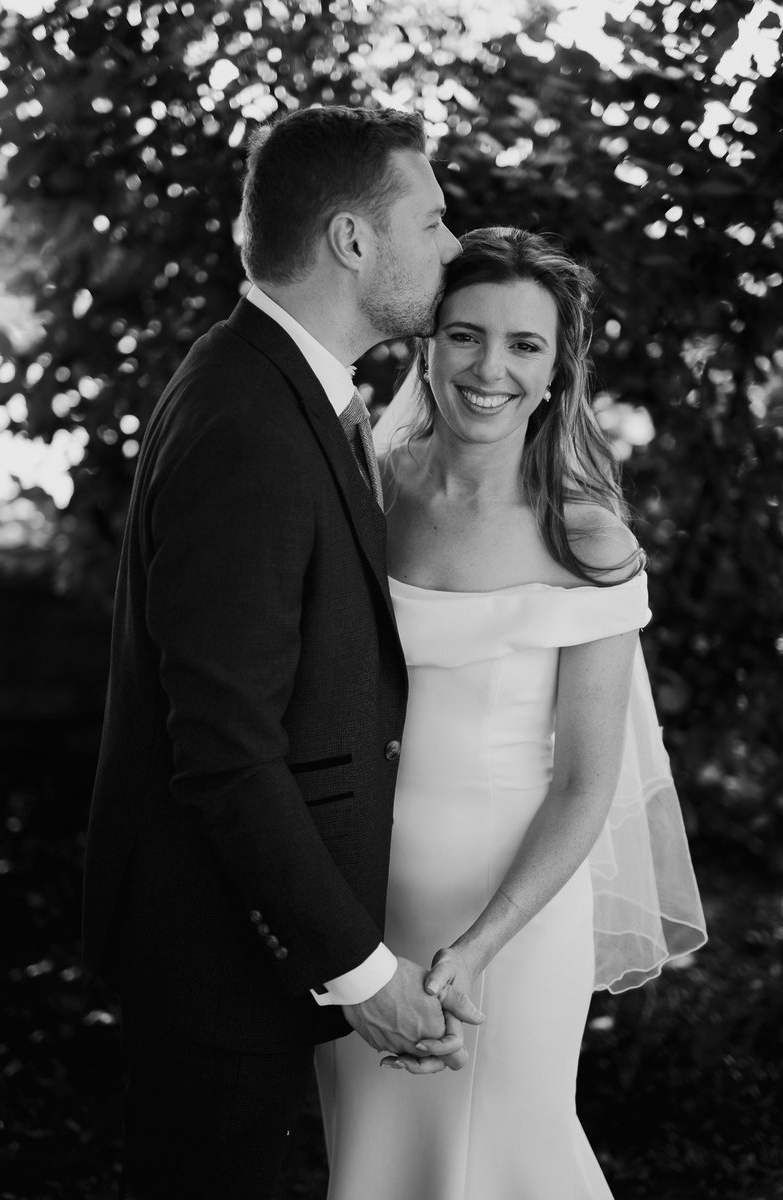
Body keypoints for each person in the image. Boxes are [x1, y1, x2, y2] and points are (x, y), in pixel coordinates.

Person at [82, 105, 485, 1200]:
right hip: (213, 946)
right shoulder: (250, 423)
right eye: (434, 220)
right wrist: (361, 975)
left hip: (238, 944)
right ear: (353, 241)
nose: (452, 249)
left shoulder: (272, 384)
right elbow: (222, 745)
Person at [315, 226, 707, 1199]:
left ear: (553, 373)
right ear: (425, 343)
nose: (488, 367)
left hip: (514, 916)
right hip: (359, 912)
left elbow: (584, 782)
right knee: (373, 1166)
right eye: (463, 335)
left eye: (523, 345)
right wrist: (343, 942)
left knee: (509, 1161)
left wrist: (476, 949)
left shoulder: (586, 539)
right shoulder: (362, 491)